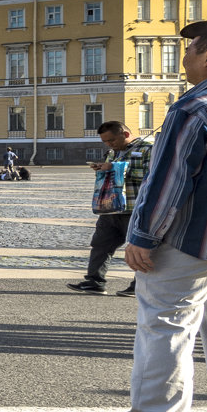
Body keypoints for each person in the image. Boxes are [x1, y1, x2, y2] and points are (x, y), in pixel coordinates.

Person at [89, 15, 207, 412]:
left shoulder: (197, 105)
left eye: (189, 49)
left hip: (191, 238)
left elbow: (170, 177)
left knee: (166, 324)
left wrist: (142, 235)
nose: (183, 57)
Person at [67, 121, 150, 297]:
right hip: (110, 208)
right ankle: (94, 282)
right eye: (105, 142)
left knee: (138, 248)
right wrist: (101, 169)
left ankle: (139, 286)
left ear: (125, 135)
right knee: (100, 245)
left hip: (134, 208)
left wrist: (115, 168)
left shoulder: (147, 149)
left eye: (111, 140)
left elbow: (151, 175)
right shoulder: (113, 153)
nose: (109, 145)